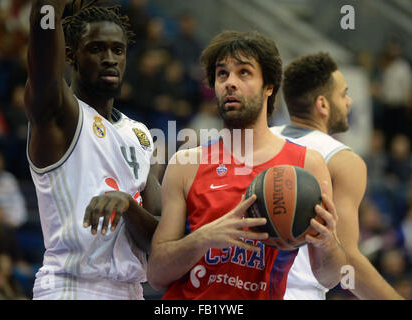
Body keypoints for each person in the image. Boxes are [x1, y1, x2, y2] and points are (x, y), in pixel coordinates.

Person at [147, 31, 346, 300]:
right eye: (222, 74)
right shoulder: (186, 163)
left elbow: (330, 277)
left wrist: (327, 241)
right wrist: (205, 237)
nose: (230, 83)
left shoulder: (307, 165)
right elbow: (157, 274)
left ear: (269, 86)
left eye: (244, 73)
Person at [25, 0, 159, 300]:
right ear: (71, 55)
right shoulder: (59, 114)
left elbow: (157, 237)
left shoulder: (139, 135)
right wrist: (49, 8)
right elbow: (43, 54)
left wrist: (128, 206)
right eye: (97, 49)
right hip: (72, 286)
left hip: (132, 291)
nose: (110, 58)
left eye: (117, 50)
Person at [271, 52, 403, 299]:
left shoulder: (259, 141)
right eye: (343, 94)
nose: (350, 102)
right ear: (322, 104)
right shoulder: (343, 160)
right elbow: (348, 264)